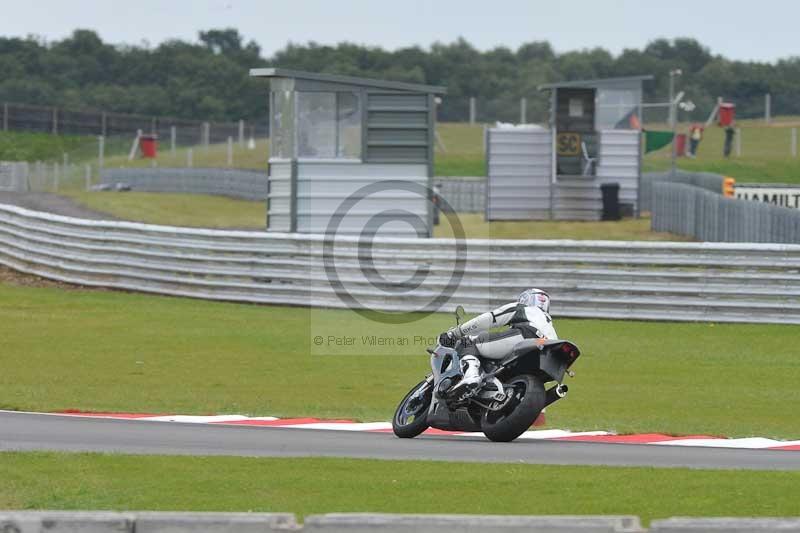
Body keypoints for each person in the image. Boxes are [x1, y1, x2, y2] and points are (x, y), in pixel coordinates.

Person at [438, 288, 557, 396]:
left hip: (528, 336)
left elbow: (487, 319)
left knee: (467, 342)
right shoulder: (548, 324)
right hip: (549, 354)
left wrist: (454, 333)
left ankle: (471, 375)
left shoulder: (522, 308)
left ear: (526, 299)